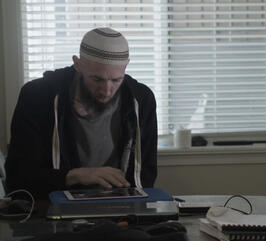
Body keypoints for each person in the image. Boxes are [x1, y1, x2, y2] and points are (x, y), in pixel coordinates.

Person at [5, 27, 158, 199]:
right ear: (78, 64)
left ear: (126, 67)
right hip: (53, 209)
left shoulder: (141, 100)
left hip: (123, 210)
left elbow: (145, 175)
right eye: (97, 79)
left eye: (116, 80)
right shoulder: (38, 97)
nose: (107, 90)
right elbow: (18, 178)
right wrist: (75, 176)